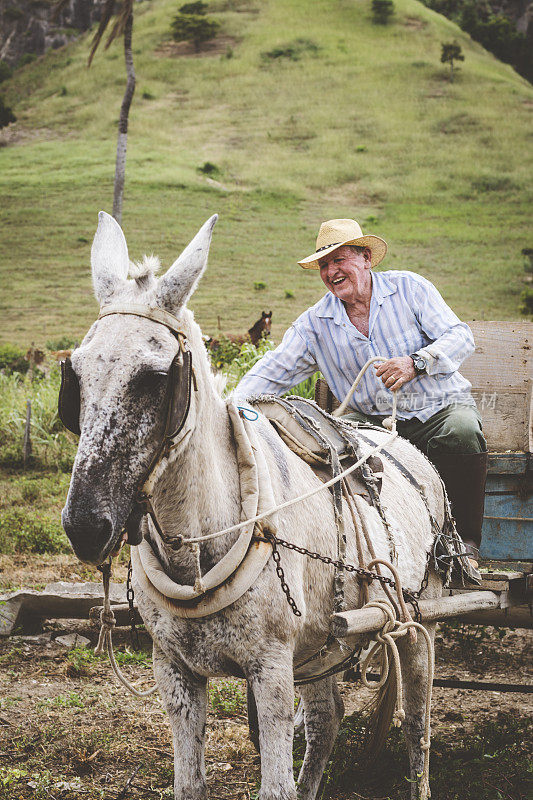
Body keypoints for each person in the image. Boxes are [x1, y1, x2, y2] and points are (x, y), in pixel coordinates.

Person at [234, 218, 488, 568]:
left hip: (437, 409)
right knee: (330, 450)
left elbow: (461, 337)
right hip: (369, 421)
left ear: (366, 258)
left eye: (340, 260)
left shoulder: (409, 289)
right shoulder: (314, 324)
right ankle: (367, 547)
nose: (331, 271)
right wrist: (227, 408)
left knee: (461, 432)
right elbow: (271, 372)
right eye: (324, 264)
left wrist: (416, 362)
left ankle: (465, 544)